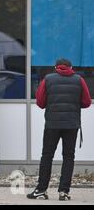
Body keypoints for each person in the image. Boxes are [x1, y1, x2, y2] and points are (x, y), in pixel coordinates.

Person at [27, 58, 91, 201]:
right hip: (71, 125)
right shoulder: (79, 80)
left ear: (56, 67)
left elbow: (40, 102)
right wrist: (73, 105)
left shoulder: (48, 79)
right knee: (68, 157)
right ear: (71, 67)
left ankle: (41, 190)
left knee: (47, 155)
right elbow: (86, 102)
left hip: (52, 125)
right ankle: (64, 192)